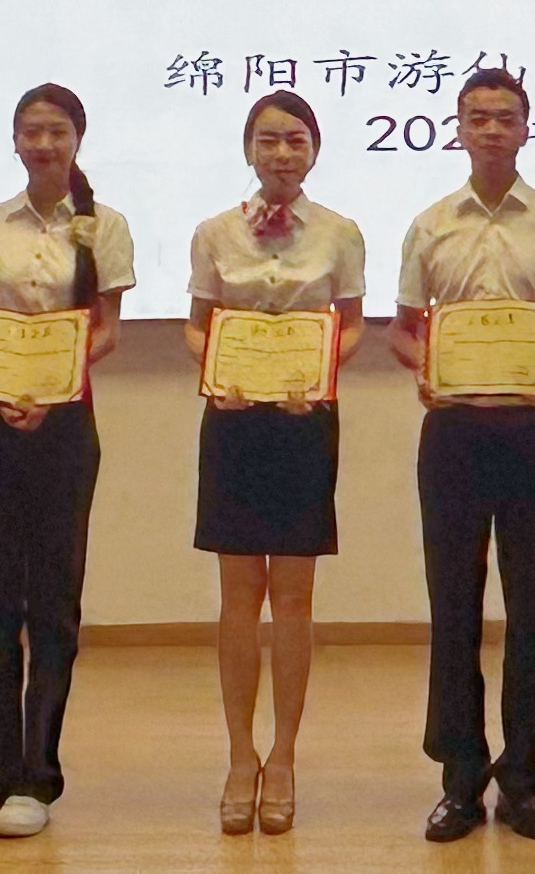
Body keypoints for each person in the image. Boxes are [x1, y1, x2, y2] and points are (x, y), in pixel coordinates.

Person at [390, 67, 535, 842]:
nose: (490, 129)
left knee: (532, 607)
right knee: (453, 607)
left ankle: (520, 777)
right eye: (477, 117)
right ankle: (459, 778)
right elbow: (403, 329)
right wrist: (425, 366)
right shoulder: (429, 225)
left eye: (504, 117)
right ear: (458, 128)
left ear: (526, 129)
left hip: (534, 433)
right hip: (452, 433)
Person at [0, 82, 133, 840]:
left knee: (53, 603)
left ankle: (35, 779)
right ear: (15, 142)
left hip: (64, 424)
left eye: (57, 131)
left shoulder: (104, 226)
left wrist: (51, 388)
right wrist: (1, 388)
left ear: (77, 140)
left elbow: (107, 328)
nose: (44, 143)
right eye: (31, 131)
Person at [182, 88, 367, 836]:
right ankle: (238, 756)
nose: (282, 153)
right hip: (232, 423)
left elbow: (351, 326)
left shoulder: (341, 233)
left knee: (292, 597)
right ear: (248, 150)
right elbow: (198, 327)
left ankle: (283, 756)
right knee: (237, 596)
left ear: (314, 150)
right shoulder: (214, 232)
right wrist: (217, 372)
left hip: (302, 423)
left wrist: (316, 376)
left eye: (295, 140)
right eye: (268, 140)